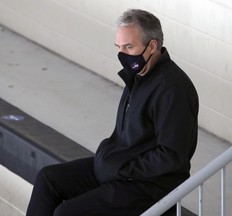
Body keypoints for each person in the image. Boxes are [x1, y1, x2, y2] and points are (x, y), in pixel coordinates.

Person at [26, 9, 199, 216]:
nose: (122, 54)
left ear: (152, 45)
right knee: (48, 179)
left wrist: (123, 167)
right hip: (119, 168)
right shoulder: (139, 75)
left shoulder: (172, 88)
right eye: (119, 47)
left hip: (147, 185)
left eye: (129, 46)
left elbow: (172, 156)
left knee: (67, 213)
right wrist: (109, 156)